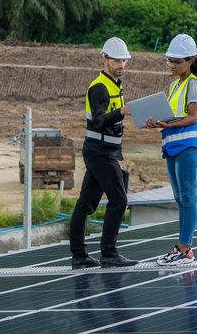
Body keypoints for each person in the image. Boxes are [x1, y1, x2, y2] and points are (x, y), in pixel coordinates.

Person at [69, 37, 139, 268]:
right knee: (119, 200)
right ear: (105, 59)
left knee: (85, 205)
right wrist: (122, 111)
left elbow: (113, 129)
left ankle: (79, 256)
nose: (121, 64)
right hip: (98, 152)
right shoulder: (100, 87)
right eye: (117, 60)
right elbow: (99, 122)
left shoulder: (115, 85)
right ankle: (108, 253)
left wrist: (117, 157)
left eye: (124, 60)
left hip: (105, 152)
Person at [147, 33, 197, 266]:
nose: (172, 65)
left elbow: (192, 117)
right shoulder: (174, 85)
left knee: (188, 198)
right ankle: (182, 248)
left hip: (188, 146)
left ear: (190, 61)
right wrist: (158, 122)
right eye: (170, 61)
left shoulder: (193, 83)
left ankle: (185, 249)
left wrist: (167, 123)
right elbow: (172, 116)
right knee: (180, 198)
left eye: (177, 61)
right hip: (172, 146)